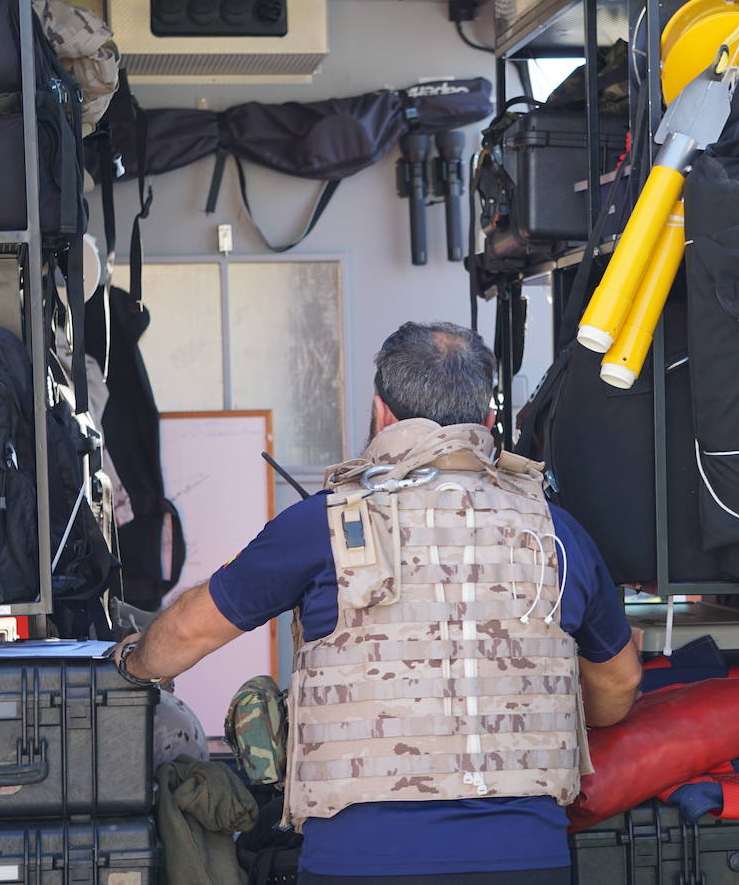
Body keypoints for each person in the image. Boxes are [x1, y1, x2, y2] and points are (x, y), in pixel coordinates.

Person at [114, 321, 641, 884]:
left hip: (360, 863)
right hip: (526, 860)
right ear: (488, 422)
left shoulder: (323, 524)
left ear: (381, 413)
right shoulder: (555, 532)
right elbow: (619, 687)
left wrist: (132, 662)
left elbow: (190, 632)